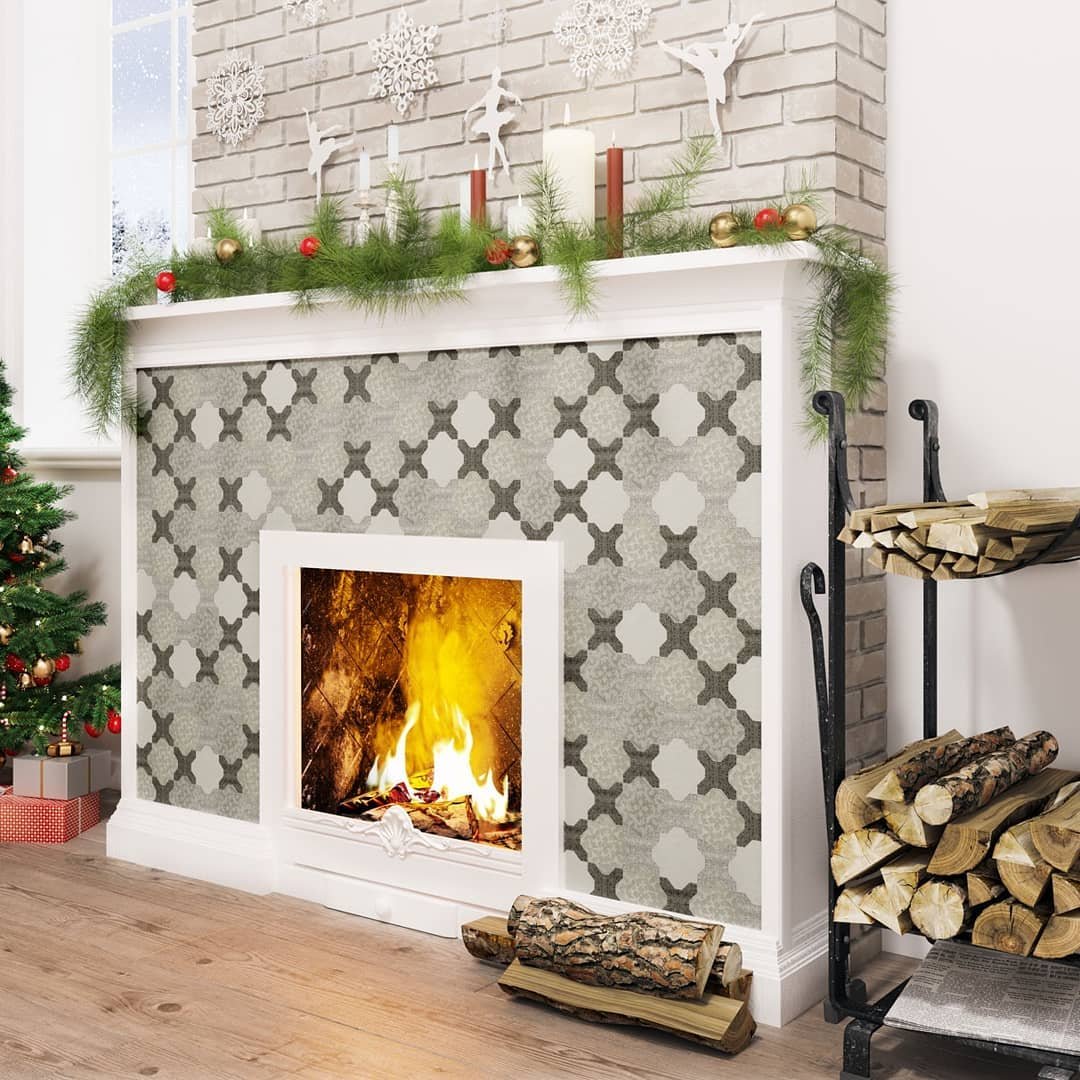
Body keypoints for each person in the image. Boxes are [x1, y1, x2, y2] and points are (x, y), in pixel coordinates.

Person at [658, 17, 760, 139]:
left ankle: (717, 131)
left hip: (714, 71)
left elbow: (744, 33)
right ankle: (717, 131)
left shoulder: (730, 46)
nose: (726, 30)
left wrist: (753, 19)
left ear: (730, 33)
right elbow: (702, 45)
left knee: (713, 102)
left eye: (729, 29)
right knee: (712, 102)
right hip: (711, 67)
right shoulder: (725, 46)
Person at [464, 68, 523, 178]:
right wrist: (469, 111)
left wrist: (517, 98)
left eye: (496, 77)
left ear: (497, 79)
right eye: (494, 77)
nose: (494, 79)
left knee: (494, 142)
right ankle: (500, 165)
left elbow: (508, 94)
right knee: (494, 143)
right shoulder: (490, 92)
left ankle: (496, 168)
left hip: (493, 118)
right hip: (489, 118)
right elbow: (480, 103)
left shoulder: (498, 91)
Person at [305, 109, 353, 200]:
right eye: (312, 126)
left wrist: (336, 127)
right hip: (316, 155)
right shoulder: (311, 134)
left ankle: (319, 199)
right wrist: (306, 113)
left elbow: (329, 130)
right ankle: (318, 199)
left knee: (331, 146)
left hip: (319, 154)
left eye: (314, 127)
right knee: (317, 176)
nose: (313, 128)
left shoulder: (319, 134)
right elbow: (307, 122)